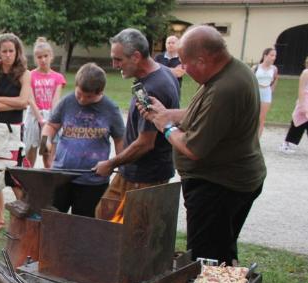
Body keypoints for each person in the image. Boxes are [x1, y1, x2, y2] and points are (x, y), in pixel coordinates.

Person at [140, 25, 266, 264]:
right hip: (233, 180)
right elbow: (203, 112)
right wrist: (168, 113)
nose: (184, 70)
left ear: (203, 59)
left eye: (186, 64)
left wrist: (165, 126)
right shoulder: (232, 71)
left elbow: (193, 148)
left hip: (218, 186)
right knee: (222, 249)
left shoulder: (225, 89)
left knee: (206, 260)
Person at [94, 28, 180, 218]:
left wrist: (110, 163)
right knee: (103, 215)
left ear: (136, 56)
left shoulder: (154, 88)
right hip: (133, 172)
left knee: (131, 231)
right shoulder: (162, 73)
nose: (114, 65)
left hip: (146, 177)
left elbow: (145, 143)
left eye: (118, 59)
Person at [41, 63, 125, 217]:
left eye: (88, 97)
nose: (81, 100)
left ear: (100, 92)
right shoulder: (67, 102)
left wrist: (120, 166)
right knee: (52, 220)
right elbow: (51, 126)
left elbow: (120, 139)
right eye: (79, 94)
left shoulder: (110, 109)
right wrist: (45, 144)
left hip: (93, 181)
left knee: (85, 225)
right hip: (61, 176)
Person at [0, 33, 32, 233]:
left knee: (15, 177)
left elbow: (24, 102)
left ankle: (22, 220)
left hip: (14, 132)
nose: (8, 55)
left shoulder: (24, 74)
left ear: (17, 52)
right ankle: (0, 219)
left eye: (12, 51)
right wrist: (11, 101)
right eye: (4, 51)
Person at [29, 37, 66, 164]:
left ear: (51, 56)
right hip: (34, 118)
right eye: (39, 57)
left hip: (50, 119)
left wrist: (49, 122)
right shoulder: (30, 75)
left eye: (46, 56)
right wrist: (40, 119)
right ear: (35, 59)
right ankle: (29, 183)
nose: (43, 60)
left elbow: (56, 101)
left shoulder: (58, 77)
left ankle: (48, 182)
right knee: (30, 156)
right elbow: (30, 99)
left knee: (48, 156)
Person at [280, 56, 308, 154]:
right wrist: (303, 105)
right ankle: (286, 143)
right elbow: (301, 89)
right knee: (298, 122)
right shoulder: (306, 72)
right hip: (305, 100)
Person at [254, 48, 278, 138]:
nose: (274, 57)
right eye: (271, 55)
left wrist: (270, 91)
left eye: (275, 56)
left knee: (262, 118)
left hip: (266, 93)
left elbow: (275, 80)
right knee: (252, 116)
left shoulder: (274, 69)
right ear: (265, 56)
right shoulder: (256, 67)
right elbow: (250, 80)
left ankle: (257, 140)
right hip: (256, 92)